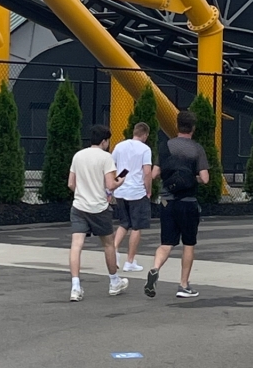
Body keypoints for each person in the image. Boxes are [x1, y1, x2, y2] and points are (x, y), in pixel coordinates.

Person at [144, 109, 209, 299]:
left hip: (167, 201)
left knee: (166, 243)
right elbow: (205, 178)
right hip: (188, 202)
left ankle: (155, 268)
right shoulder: (197, 149)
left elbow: (154, 174)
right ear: (193, 128)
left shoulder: (166, 147)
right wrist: (191, 178)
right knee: (188, 244)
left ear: (177, 125)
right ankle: (183, 285)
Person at [68, 124, 129, 302]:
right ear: (104, 141)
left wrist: (82, 192)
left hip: (79, 206)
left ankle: (75, 286)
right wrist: (121, 180)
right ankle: (113, 281)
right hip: (99, 208)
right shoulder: (106, 158)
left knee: (76, 245)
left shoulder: (78, 156)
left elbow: (71, 183)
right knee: (108, 245)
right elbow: (110, 185)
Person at [111, 122, 153, 272]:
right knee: (137, 226)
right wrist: (148, 190)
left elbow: (113, 165)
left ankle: (114, 251)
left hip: (121, 189)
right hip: (137, 191)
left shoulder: (120, 146)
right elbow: (147, 172)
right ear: (145, 134)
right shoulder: (145, 149)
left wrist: (112, 186)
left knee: (124, 223)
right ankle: (130, 261)